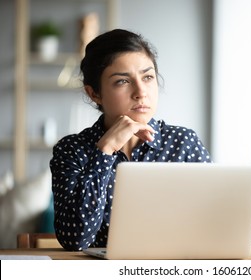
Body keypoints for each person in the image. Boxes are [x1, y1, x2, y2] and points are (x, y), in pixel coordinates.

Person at [50, 29, 212, 251]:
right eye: (122, 81)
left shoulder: (183, 143)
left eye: (147, 77)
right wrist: (105, 150)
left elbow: (211, 222)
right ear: (94, 94)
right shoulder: (72, 149)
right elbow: (75, 239)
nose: (140, 92)